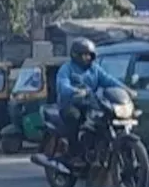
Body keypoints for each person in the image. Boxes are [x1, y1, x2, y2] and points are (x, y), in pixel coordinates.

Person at [54, 38, 130, 167]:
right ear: (76, 55)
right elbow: (62, 85)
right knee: (75, 118)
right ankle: (74, 154)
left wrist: (126, 89)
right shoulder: (66, 69)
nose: (87, 58)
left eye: (89, 55)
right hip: (70, 104)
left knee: (104, 119)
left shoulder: (94, 69)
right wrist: (75, 91)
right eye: (84, 55)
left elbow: (108, 80)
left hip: (90, 103)